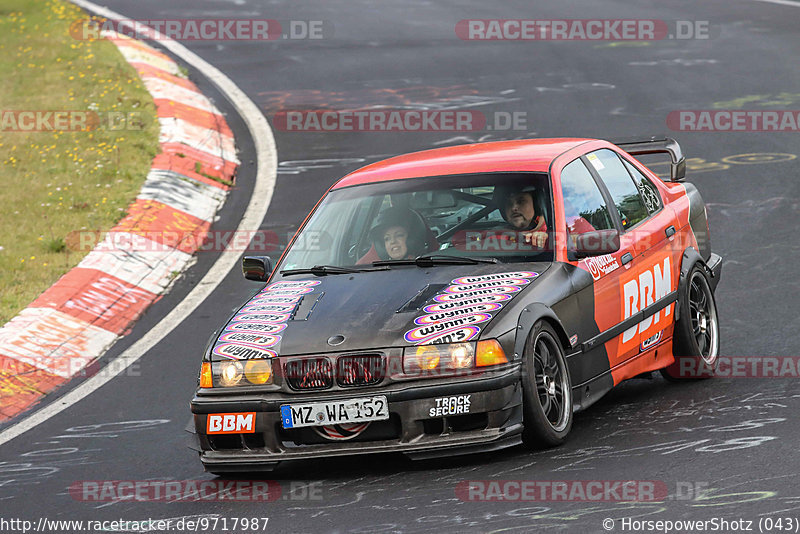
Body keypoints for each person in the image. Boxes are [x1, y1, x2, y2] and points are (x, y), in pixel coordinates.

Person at [357, 207, 430, 263]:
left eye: (399, 235)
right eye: (387, 239)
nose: (393, 241)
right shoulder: (372, 269)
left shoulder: (432, 265)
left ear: (413, 238)